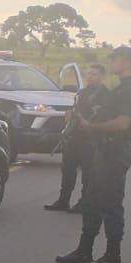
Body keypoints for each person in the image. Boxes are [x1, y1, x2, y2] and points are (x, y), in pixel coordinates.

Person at [56, 46, 131, 263]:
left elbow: (123, 123)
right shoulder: (122, 88)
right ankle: (84, 250)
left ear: (126, 62)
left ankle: (112, 256)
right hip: (104, 150)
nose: (112, 63)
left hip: (115, 151)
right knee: (92, 203)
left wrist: (91, 126)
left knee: (110, 205)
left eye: (114, 59)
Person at [45, 63, 110, 212]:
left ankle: (85, 201)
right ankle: (63, 200)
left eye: (94, 74)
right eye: (89, 73)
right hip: (74, 136)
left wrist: (89, 123)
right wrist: (70, 116)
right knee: (68, 169)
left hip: (90, 137)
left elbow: (106, 117)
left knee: (88, 171)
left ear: (102, 77)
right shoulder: (82, 93)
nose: (90, 77)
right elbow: (75, 109)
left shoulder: (107, 96)